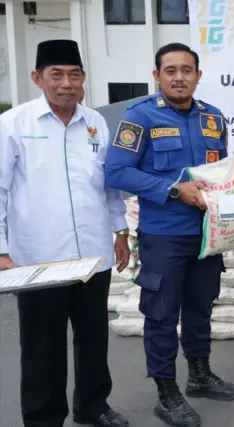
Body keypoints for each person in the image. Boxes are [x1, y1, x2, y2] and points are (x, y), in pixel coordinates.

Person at [105, 43, 234, 427]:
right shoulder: (139, 118)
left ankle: (199, 375)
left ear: (198, 75)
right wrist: (173, 189)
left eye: (187, 70)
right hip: (164, 236)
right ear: (157, 75)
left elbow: (222, 172)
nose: (179, 77)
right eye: (170, 70)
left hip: (206, 235)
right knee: (162, 315)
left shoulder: (213, 118)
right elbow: (116, 173)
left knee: (201, 307)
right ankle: (166, 393)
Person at [0, 39, 130, 427]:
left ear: (84, 80)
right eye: (56, 75)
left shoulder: (95, 122)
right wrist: (1, 250)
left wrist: (121, 230)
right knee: (43, 346)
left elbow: (108, 185)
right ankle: (43, 418)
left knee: (93, 339)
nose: (66, 84)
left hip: (93, 255)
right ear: (37, 78)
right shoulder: (14, 124)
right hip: (39, 258)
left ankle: (93, 406)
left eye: (74, 75)